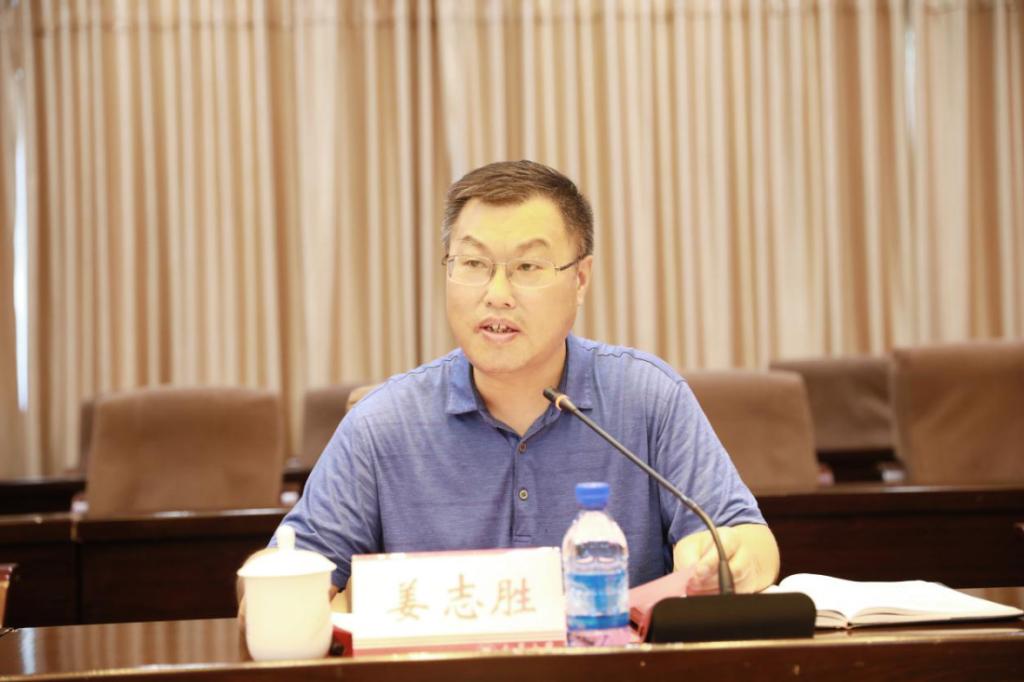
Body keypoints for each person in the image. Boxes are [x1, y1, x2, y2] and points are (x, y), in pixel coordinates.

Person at [240, 160, 779, 615]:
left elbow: (750, 540)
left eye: (527, 266)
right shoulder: (383, 424)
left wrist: (726, 559)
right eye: (473, 263)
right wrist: (279, 589)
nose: (496, 294)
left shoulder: (648, 398)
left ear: (580, 279)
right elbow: (287, 569)